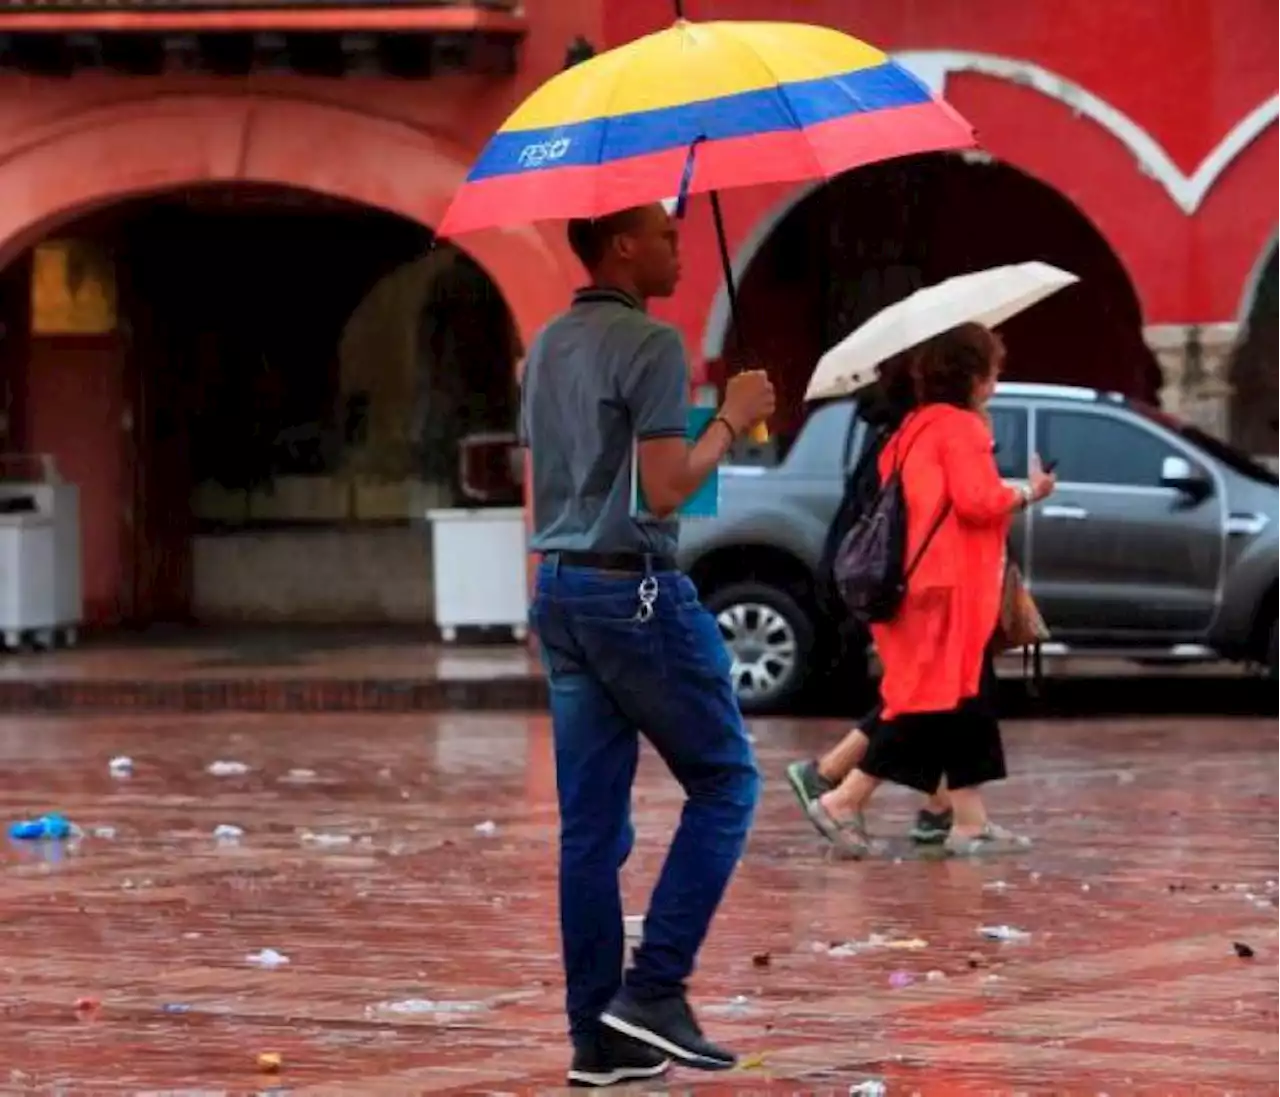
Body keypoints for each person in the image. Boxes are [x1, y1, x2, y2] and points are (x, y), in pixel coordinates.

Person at [522, 202, 776, 1087]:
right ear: (621, 245)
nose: (680, 248)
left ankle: (598, 1040)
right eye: (666, 237)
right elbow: (664, 490)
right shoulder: (654, 344)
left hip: (556, 584)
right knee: (727, 779)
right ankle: (655, 989)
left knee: (588, 830)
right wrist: (732, 416)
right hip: (633, 587)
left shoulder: (548, 344)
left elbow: (578, 473)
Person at [805, 323, 1056, 858]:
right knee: (924, 705)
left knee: (949, 702)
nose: (997, 380)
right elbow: (975, 502)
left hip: (914, 587)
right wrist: (1027, 493)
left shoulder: (913, 427)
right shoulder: (961, 430)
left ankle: (968, 821)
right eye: (992, 370)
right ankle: (843, 800)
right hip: (950, 589)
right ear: (971, 375)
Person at [785, 360, 953, 845]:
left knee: (924, 695)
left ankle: (937, 805)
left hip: (870, 581)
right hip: (894, 587)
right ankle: (839, 786)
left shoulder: (887, 435)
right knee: (919, 697)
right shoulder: (910, 440)